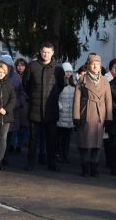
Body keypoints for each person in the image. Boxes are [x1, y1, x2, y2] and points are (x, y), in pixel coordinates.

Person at [73, 53, 113, 177]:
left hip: (100, 115)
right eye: (93, 63)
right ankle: (85, 167)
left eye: (98, 63)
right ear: (88, 65)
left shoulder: (105, 81)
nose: (96, 66)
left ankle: (94, 167)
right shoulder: (82, 80)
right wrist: (76, 116)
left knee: (97, 144)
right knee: (85, 143)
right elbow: (77, 100)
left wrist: (109, 118)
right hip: (86, 113)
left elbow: (108, 100)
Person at [24, 42, 62, 171]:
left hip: (51, 109)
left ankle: (52, 163)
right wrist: (33, 95)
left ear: (53, 53)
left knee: (52, 139)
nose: (45, 54)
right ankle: (30, 163)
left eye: (48, 52)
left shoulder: (58, 69)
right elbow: (26, 84)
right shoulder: (32, 66)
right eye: (43, 52)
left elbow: (61, 86)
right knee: (33, 139)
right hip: (35, 108)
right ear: (40, 52)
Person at [9, 56, 30, 155]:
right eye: (18, 65)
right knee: (15, 127)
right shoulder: (13, 77)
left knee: (23, 126)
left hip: (25, 104)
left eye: (22, 65)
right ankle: (13, 145)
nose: (20, 67)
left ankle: (19, 145)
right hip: (15, 104)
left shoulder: (28, 76)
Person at [55, 63, 76, 164]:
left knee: (67, 138)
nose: (68, 73)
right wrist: (59, 106)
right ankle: (58, 153)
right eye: (66, 71)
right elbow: (55, 97)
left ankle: (65, 155)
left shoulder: (74, 84)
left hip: (70, 114)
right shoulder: (58, 83)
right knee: (59, 137)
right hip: (61, 114)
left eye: (70, 71)